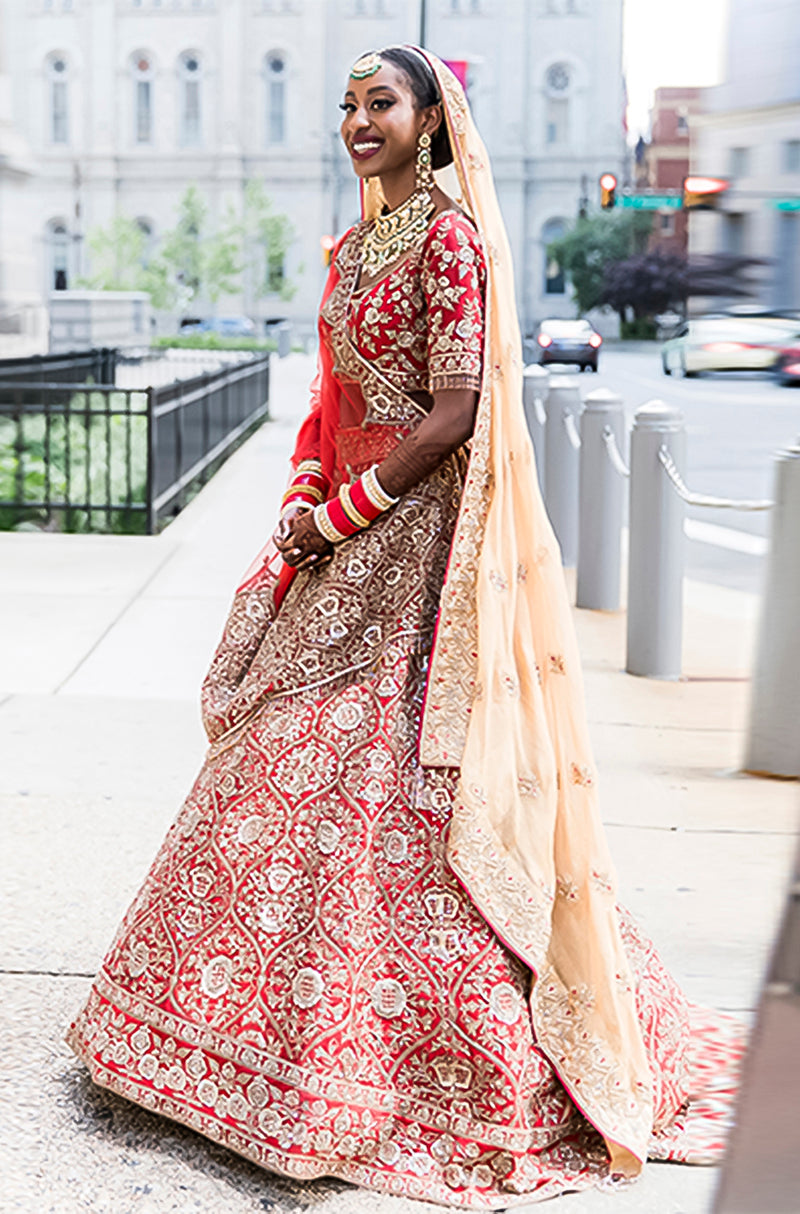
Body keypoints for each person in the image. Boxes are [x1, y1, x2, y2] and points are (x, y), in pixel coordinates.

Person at [67, 46, 743, 1208]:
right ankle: (238, 1038)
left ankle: (425, 1060)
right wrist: (304, 492)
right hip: (343, 538)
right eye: (345, 104)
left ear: (430, 119)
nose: (354, 120)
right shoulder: (358, 243)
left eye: (378, 102)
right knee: (282, 756)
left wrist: (350, 507)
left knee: (392, 775)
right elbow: (339, 403)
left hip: (419, 554)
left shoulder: (445, 237)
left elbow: (454, 407)